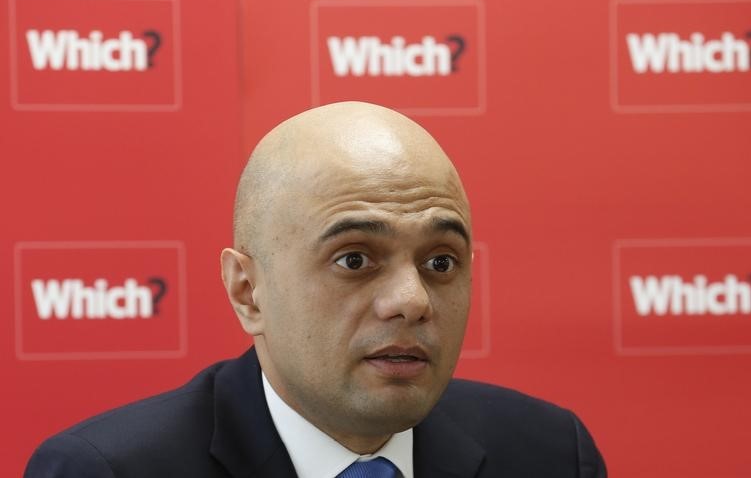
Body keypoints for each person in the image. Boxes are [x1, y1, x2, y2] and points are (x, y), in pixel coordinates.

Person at [25, 102, 606, 477]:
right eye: (355, 258)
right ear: (248, 292)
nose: (412, 300)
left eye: (440, 261)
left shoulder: (552, 455)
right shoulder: (103, 471)